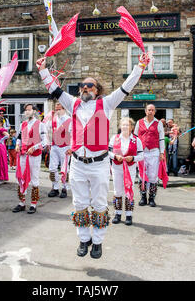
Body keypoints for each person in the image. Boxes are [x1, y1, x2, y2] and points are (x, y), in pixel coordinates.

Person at [37, 50, 150, 259]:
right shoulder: (74, 104)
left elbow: (127, 87)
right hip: (77, 163)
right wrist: (43, 70)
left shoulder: (106, 103)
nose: (85, 88)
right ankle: (83, 238)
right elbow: (55, 89)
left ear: (97, 90)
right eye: (82, 85)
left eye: (90, 85)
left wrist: (139, 67)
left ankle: (97, 242)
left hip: (98, 163)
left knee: (98, 204)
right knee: (79, 203)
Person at [12, 104, 47, 214]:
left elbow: (45, 142)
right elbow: (19, 137)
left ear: (35, 111)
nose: (27, 112)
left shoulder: (40, 125)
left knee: (34, 178)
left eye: (29, 110)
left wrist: (34, 147)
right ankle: (21, 203)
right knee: (21, 177)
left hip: (34, 155)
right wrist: (17, 144)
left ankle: (33, 204)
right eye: (25, 110)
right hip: (23, 154)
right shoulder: (23, 124)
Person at [109, 117, 143, 226]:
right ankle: (117, 214)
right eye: (123, 125)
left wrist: (133, 158)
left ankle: (129, 214)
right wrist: (115, 156)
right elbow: (108, 152)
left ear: (132, 127)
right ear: (120, 126)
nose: (125, 127)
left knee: (129, 189)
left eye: (127, 125)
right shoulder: (114, 138)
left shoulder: (136, 140)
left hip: (130, 167)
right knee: (117, 190)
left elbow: (141, 155)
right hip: (117, 167)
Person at [135, 104, 166, 208]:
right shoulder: (139, 122)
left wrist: (162, 152)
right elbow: (135, 137)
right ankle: (143, 197)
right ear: (145, 111)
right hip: (142, 152)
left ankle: (152, 198)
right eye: (149, 110)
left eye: (152, 110)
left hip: (153, 152)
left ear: (155, 111)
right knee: (141, 175)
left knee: (153, 175)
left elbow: (161, 138)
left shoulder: (158, 123)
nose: (150, 111)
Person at [46, 101, 71, 199]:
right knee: (52, 168)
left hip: (65, 147)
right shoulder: (53, 119)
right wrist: (48, 143)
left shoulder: (69, 120)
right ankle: (55, 188)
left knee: (64, 169)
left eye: (59, 109)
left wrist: (71, 148)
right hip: (55, 146)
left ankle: (64, 188)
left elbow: (73, 135)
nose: (57, 110)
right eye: (56, 109)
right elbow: (45, 130)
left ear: (64, 108)